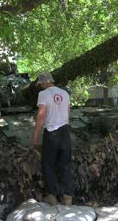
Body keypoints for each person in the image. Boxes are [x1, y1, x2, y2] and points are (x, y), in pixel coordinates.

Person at [33, 72, 74, 206]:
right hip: (65, 131)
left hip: (51, 132)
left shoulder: (43, 94)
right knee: (65, 164)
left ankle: (51, 196)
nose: (40, 86)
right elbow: (68, 113)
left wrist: (36, 134)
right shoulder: (65, 93)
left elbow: (41, 114)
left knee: (48, 163)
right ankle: (68, 196)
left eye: (40, 84)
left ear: (44, 82)